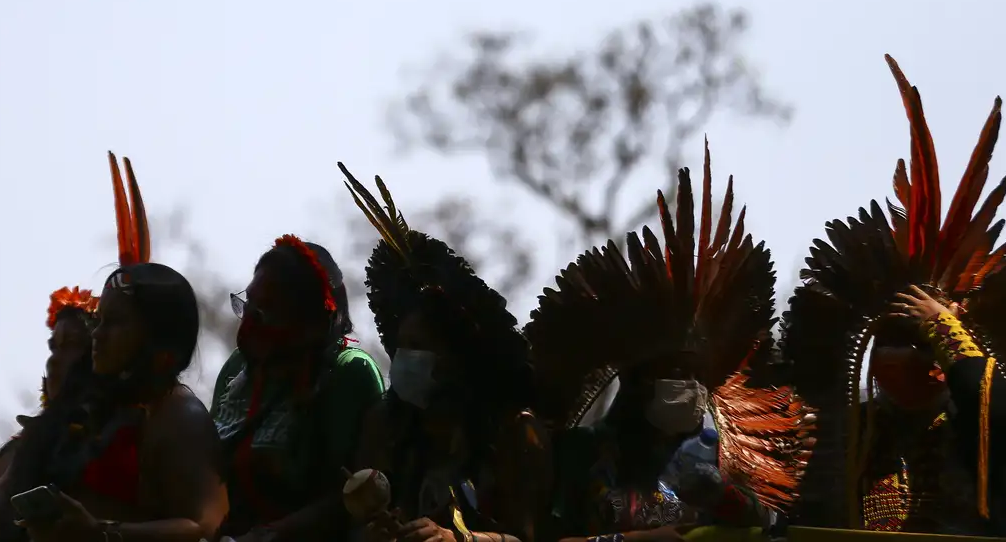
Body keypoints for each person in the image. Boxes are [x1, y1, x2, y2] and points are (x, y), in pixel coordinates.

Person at [781, 56, 1006, 535]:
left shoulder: (969, 431)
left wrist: (945, 327)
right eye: (894, 339)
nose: (905, 355)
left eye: (921, 342)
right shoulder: (847, 432)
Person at [526, 142, 816, 542]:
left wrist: (738, 504)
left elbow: (779, 528)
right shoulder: (583, 452)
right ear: (637, 378)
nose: (688, 384)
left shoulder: (726, 454)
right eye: (673, 371)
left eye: (696, 372)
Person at [0, 151, 228, 542]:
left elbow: (202, 527)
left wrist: (101, 534)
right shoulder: (88, 406)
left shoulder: (177, 414)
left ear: (155, 337)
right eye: (100, 322)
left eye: (115, 324)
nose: (98, 336)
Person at [339, 163, 549, 542]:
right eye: (401, 345)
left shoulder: (514, 430)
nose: (405, 357)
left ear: (457, 356)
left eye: (419, 347)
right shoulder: (385, 425)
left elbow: (529, 536)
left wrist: (461, 539)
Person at [211, 233, 384, 541]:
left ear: (311, 321)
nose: (248, 323)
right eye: (246, 305)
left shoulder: (347, 373)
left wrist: (272, 534)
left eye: (264, 311)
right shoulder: (239, 369)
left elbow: (352, 494)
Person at [0, 286, 98, 490]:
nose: (54, 361)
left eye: (71, 345)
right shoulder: (16, 449)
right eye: (54, 347)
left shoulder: (116, 439)